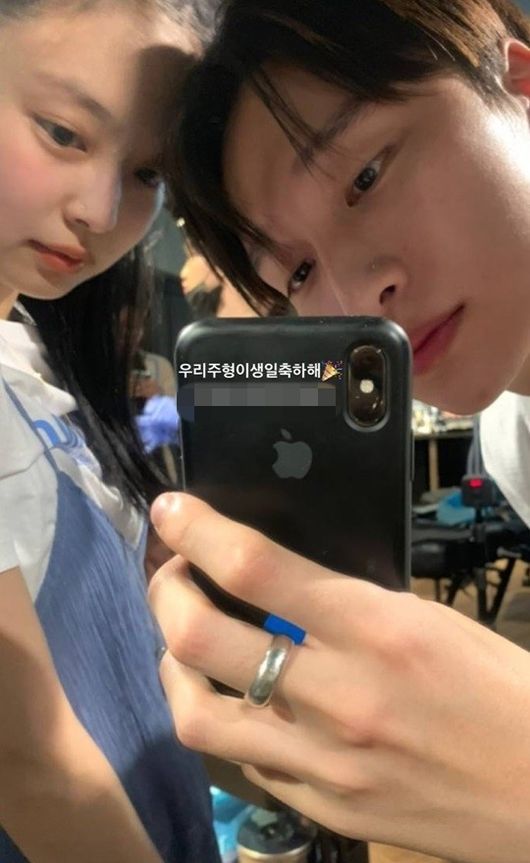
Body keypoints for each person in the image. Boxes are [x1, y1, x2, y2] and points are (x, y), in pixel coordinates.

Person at [147, 1, 530, 861]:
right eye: (298, 272)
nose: (360, 295)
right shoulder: (509, 430)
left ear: (520, 86)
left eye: (366, 176)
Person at [0, 2, 222, 862]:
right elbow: (34, 766)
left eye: (145, 172)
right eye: (63, 132)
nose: (101, 208)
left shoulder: (37, 354)